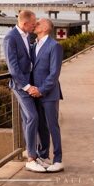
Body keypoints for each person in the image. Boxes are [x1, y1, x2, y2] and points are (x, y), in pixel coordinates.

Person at [2, 9, 46, 173]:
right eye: (33, 23)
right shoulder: (10, 38)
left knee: (29, 118)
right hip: (21, 86)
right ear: (25, 23)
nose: (35, 26)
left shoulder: (28, 36)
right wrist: (28, 87)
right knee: (32, 117)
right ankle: (31, 157)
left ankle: (35, 154)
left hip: (31, 82)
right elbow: (13, 68)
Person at [28, 18, 65, 172]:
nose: (35, 24)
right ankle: (44, 156)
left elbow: (54, 73)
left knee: (52, 126)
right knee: (41, 126)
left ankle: (58, 159)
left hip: (48, 94)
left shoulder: (54, 46)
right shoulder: (33, 45)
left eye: (38, 23)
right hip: (35, 94)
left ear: (44, 27)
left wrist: (41, 90)